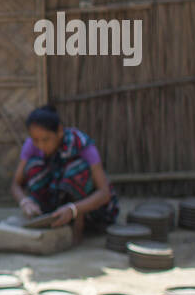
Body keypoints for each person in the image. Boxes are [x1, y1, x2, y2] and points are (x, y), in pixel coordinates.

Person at [11, 103, 119, 242]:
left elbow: (104, 193)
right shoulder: (31, 145)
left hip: (91, 211)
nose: (41, 145)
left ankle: (77, 229)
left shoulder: (82, 144)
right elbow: (15, 184)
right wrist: (25, 202)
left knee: (77, 168)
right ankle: (48, 217)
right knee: (34, 166)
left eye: (46, 139)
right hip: (56, 207)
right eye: (36, 140)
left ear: (60, 131)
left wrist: (73, 209)